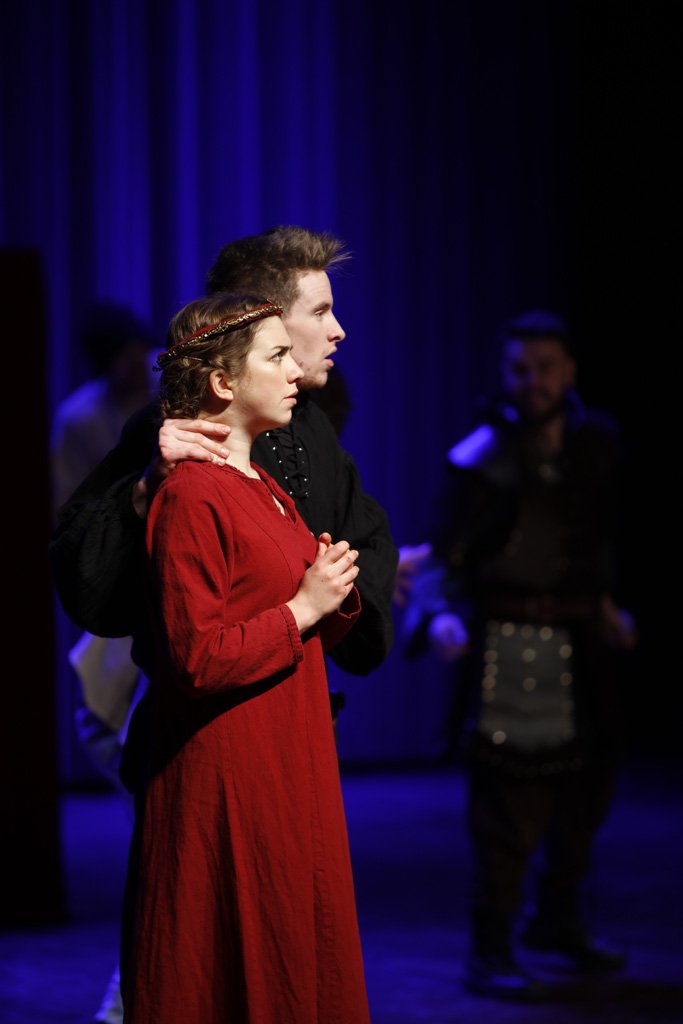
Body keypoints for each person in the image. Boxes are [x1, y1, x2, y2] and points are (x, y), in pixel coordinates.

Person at [121, 293, 369, 1022]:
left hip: (286, 756)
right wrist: (303, 608)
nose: (295, 371)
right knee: (229, 961)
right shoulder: (193, 496)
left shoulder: (262, 485)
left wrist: (330, 590)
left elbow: (290, 612)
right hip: (231, 768)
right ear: (222, 381)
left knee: (293, 947)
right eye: (277, 356)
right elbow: (196, 657)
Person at [49, 227, 397, 684]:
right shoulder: (174, 431)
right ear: (263, 319)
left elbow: (364, 546)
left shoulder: (312, 426)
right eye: (319, 312)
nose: (338, 331)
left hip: (298, 691)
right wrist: (144, 489)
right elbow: (89, 578)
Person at [406, 310, 636, 1001]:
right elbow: (441, 556)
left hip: (583, 641)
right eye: (519, 369)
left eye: (544, 368)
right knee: (508, 808)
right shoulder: (480, 458)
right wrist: (442, 615)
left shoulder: (594, 446)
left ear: (568, 372)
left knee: (586, 790)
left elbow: (595, 542)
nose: (531, 381)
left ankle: (558, 922)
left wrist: (605, 605)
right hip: (509, 642)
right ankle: (492, 946)